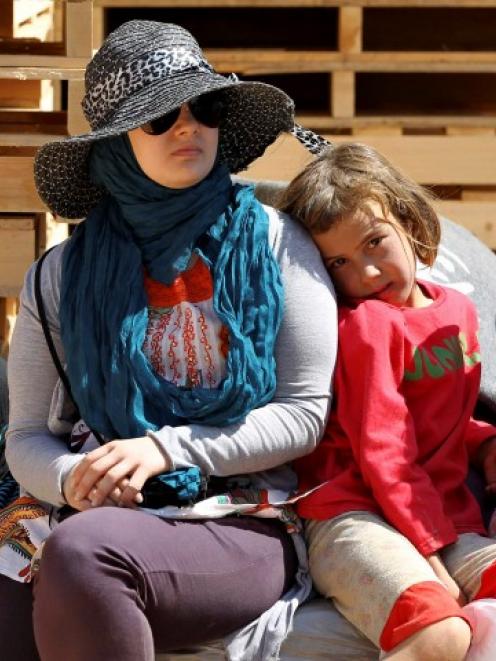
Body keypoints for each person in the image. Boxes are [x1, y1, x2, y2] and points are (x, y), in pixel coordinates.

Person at [0, 20, 337, 661]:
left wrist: (164, 450)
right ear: (115, 146)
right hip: (85, 509)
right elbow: (24, 437)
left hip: (240, 515)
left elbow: (302, 414)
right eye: (158, 119)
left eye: (204, 108)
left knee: (85, 555)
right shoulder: (60, 274)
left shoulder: (274, 243)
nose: (188, 128)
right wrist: (73, 479)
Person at [279, 142, 496, 661]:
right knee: (437, 629)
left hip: (444, 515)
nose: (368, 274)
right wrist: (432, 554)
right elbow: (385, 452)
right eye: (340, 262)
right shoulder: (367, 325)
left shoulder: (458, 311)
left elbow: (448, 417)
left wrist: (486, 446)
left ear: (408, 218)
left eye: (375, 242)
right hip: (351, 514)